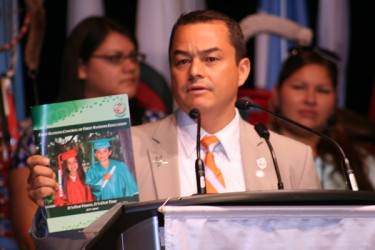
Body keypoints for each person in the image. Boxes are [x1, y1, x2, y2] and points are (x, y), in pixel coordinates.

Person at [26, 10, 321, 249]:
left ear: (242, 70)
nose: (194, 71)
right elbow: (71, 248)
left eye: (210, 59)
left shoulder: (291, 157)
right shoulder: (125, 148)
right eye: (182, 60)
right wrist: (51, 207)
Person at [10, 16, 168, 249]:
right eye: (115, 58)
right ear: (81, 67)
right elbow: (29, 237)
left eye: (134, 56)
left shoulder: (154, 123)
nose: (131, 66)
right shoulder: (40, 138)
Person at [270, 46, 375, 190]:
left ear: (335, 100)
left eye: (322, 90)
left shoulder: (362, 163)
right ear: (276, 94)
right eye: (299, 87)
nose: (310, 99)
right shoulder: (255, 156)